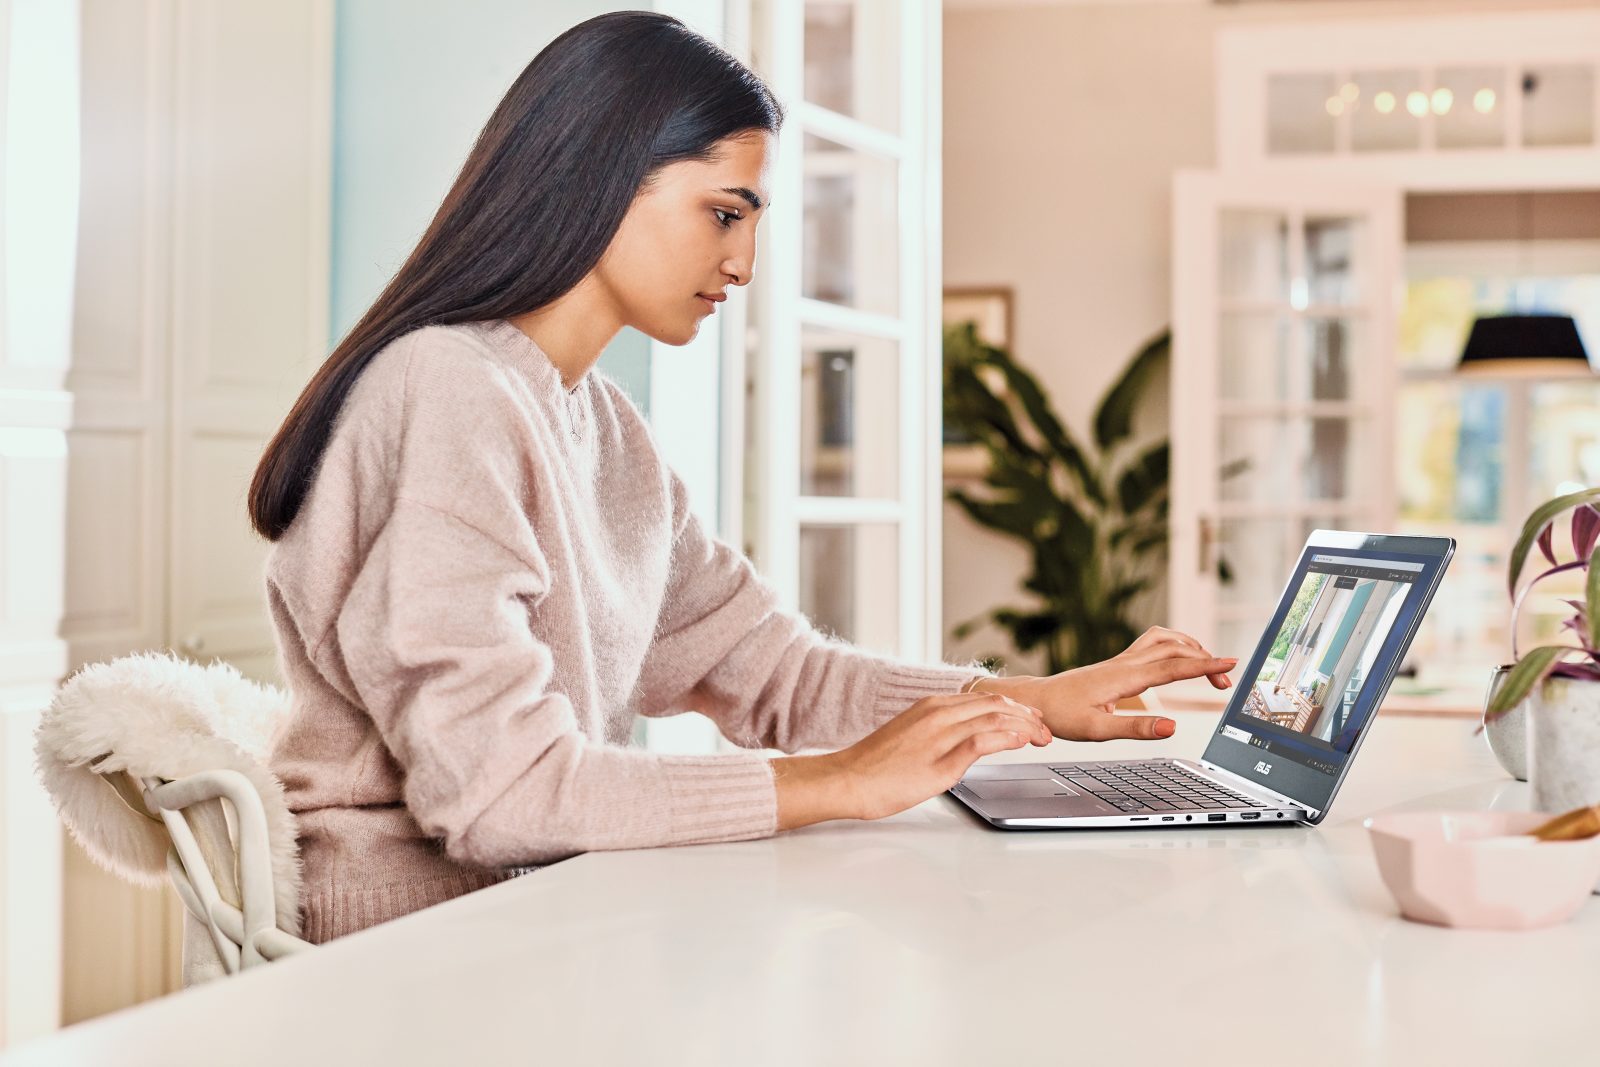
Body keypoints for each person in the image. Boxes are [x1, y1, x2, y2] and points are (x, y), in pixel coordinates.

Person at [251, 11, 1236, 944]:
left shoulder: (601, 426)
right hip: (414, 943)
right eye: (724, 213)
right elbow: (501, 795)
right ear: (598, 175)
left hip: (544, 906)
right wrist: (838, 780)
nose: (744, 262)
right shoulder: (448, 387)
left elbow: (774, 671)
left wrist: (1029, 699)